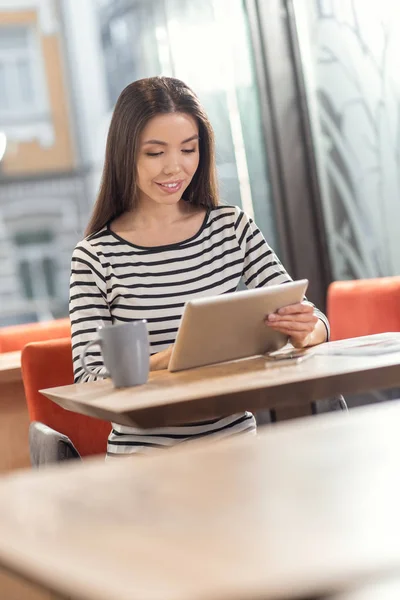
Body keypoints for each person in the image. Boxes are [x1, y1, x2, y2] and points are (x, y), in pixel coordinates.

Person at [69, 76, 329, 458]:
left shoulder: (231, 228)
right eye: (155, 153)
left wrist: (307, 331)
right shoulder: (95, 257)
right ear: (125, 154)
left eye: (188, 149)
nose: (174, 167)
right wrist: (171, 360)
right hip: (144, 462)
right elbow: (88, 379)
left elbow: (316, 319)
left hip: (237, 452)